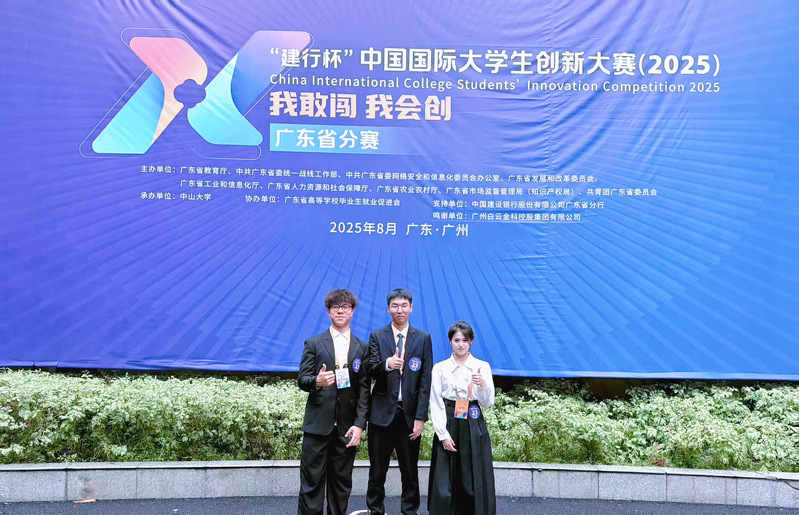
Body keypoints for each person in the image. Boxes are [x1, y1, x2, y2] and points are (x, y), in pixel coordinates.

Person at [297, 289, 370, 515]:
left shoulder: (362, 347)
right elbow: (302, 380)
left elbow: (364, 390)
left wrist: (359, 425)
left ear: (352, 312)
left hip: (347, 428)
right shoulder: (314, 343)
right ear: (328, 312)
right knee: (311, 484)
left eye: (345, 307)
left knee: (341, 486)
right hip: (318, 426)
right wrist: (317, 381)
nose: (340, 311)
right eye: (335, 307)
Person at [366, 288, 433, 515]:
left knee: (410, 471)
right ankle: (376, 510)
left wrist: (421, 417)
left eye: (404, 305)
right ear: (388, 309)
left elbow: (425, 381)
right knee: (377, 471)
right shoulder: (377, 336)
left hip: (409, 416)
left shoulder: (423, 338)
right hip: (381, 415)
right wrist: (387, 364)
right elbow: (370, 369)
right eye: (395, 306)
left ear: (411, 308)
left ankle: (410, 511)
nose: (400, 310)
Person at [428, 321, 496, 515]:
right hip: (449, 419)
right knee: (445, 476)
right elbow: (435, 401)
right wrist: (442, 434)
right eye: (456, 340)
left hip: (472, 419)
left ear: (471, 342)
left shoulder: (481, 366)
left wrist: (482, 385)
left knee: (472, 474)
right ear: (450, 341)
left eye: (465, 340)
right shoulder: (440, 368)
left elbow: (488, 402)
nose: (460, 344)